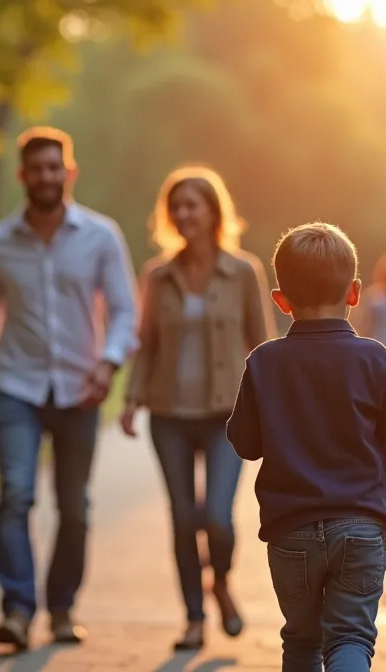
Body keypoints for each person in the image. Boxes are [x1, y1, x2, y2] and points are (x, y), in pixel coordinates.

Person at [0, 126, 139, 649]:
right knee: (16, 495)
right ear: (22, 176)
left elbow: (125, 310)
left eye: (55, 167)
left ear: (69, 172)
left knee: (74, 505)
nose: (46, 176)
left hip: (82, 388)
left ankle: (61, 608)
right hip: (18, 387)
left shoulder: (102, 236)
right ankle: (16, 608)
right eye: (36, 169)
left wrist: (108, 364)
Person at [228, 223, 386, 672]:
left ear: (281, 300)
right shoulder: (376, 359)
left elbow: (244, 443)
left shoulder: (264, 362)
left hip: (290, 530)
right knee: (351, 638)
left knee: (301, 642)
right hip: (359, 525)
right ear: (355, 292)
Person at [118, 166, 275, 650]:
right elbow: (146, 345)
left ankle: (221, 583)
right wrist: (130, 398)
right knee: (184, 517)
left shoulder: (243, 271)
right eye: (176, 206)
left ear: (213, 212)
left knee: (219, 519)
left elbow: (262, 343)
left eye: (193, 205)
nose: (184, 214)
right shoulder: (158, 276)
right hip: (168, 414)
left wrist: (271, 406)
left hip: (226, 416)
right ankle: (192, 617)